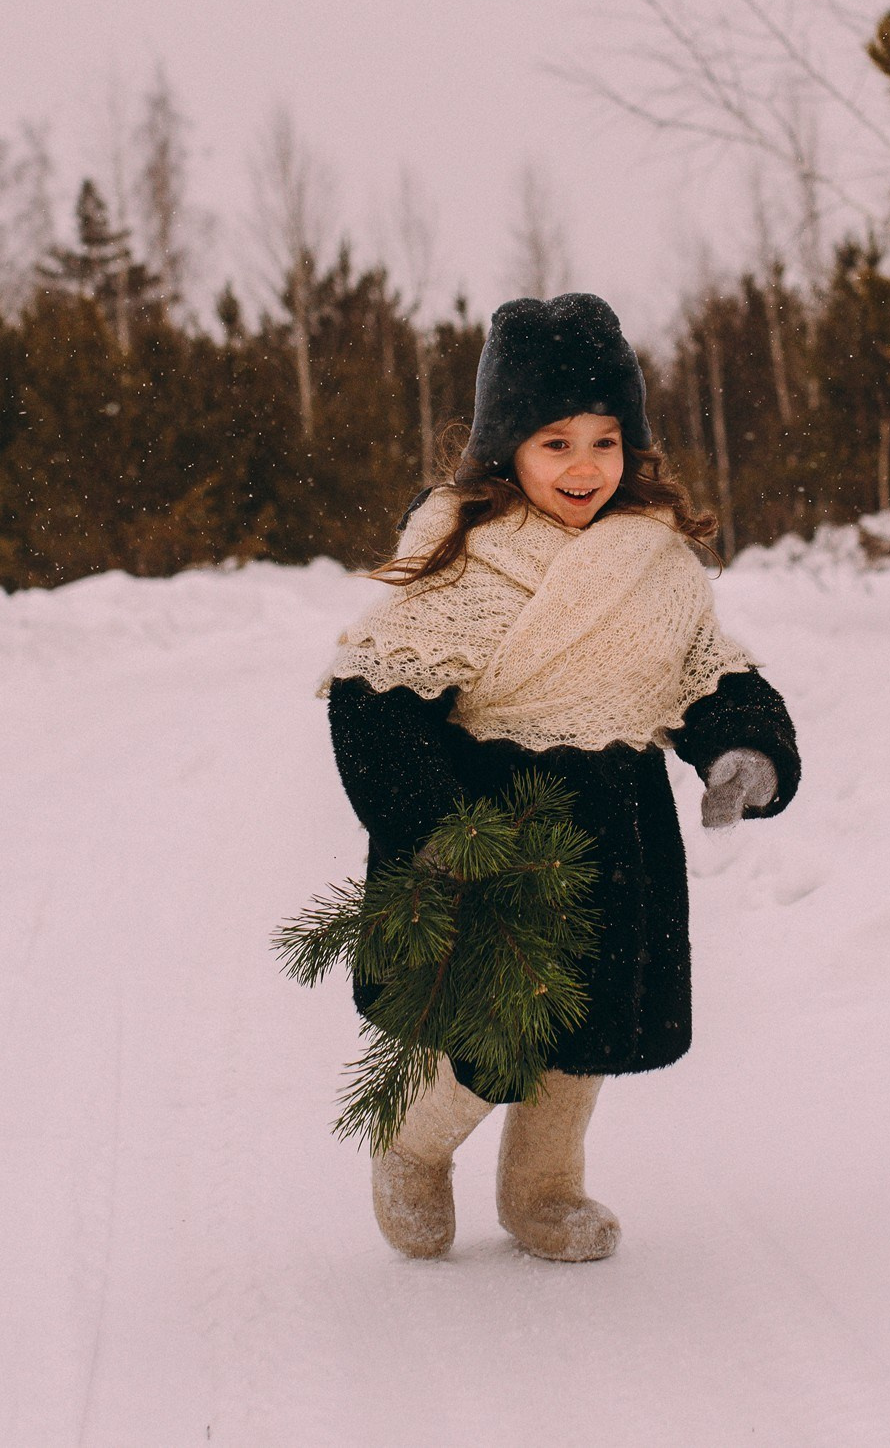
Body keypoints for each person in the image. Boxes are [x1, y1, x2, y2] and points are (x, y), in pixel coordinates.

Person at [323, 292, 801, 1262]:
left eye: (604, 439)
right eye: (554, 442)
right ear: (506, 447)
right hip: (489, 831)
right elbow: (376, 704)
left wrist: (741, 748)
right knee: (482, 1043)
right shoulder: (461, 551)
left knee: (583, 1037)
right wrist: (442, 831)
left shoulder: (653, 555)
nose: (584, 466)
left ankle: (543, 1186)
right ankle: (413, 1145)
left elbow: (708, 667)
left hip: (614, 828)